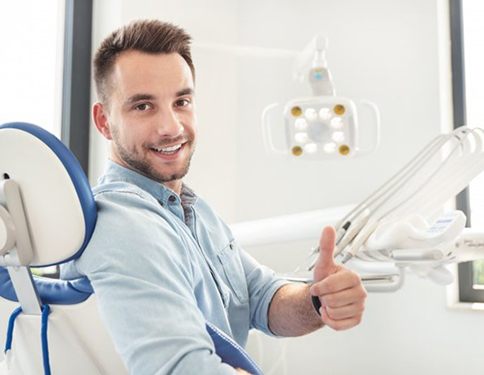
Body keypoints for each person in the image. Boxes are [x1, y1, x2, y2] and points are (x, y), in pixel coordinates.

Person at [62, 19, 367, 374]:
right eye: (143, 106)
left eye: (182, 101)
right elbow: (180, 369)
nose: (171, 127)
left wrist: (317, 300)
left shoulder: (193, 210)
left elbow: (261, 298)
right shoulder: (122, 226)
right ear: (103, 121)